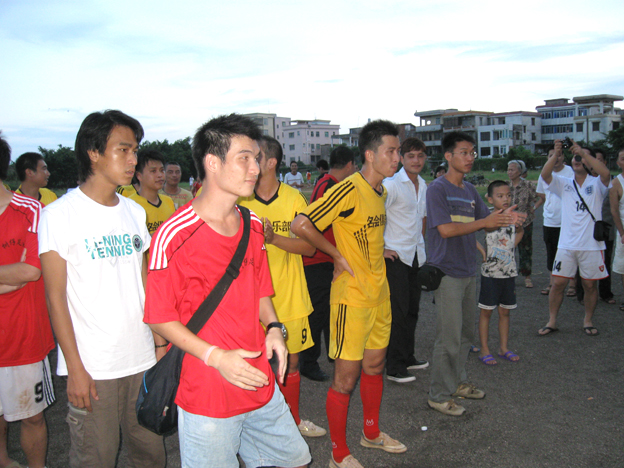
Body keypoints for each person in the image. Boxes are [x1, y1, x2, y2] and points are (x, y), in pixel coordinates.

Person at [144, 114, 311, 468]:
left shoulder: (253, 225)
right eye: (244, 158)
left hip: (257, 379)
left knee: (294, 460)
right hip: (208, 390)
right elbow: (159, 318)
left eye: (257, 158)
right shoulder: (173, 235)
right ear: (213, 163)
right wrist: (217, 357)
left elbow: (260, 290)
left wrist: (273, 328)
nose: (256, 168)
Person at [38, 110, 167, 468]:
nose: (133, 159)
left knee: (151, 453)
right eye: (123, 150)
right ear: (93, 153)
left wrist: (159, 344)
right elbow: (55, 297)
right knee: (95, 457)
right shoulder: (59, 215)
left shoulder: (134, 212)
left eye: (135, 150)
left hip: (142, 358)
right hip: (94, 366)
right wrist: (75, 368)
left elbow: (145, 282)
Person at [292, 120, 407, 468]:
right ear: (370, 154)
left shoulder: (380, 191)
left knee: (375, 366)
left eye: (398, 151)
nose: (397, 158)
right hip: (351, 299)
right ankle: (338, 454)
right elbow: (301, 223)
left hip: (379, 295)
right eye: (391, 151)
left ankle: (371, 433)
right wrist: (336, 255)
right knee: (344, 379)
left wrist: (379, 251)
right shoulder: (348, 189)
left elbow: (364, 233)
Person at [426, 131, 524, 417]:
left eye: (473, 153)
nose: (470, 158)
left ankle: (457, 382)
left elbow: (486, 221)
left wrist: (507, 218)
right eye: (464, 152)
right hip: (446, 272)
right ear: (448, 156)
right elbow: (446, 230)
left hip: (469, 269)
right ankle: (438, 395)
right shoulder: (437, 189)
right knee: (448, 338)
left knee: (466, 333)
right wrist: (485, 222)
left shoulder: (469, 190)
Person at [238, 136, 326, 438]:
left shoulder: (293, 198)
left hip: (289, 297)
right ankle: (257, 427)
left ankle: (293, 421)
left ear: (271, 162)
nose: (250, 163)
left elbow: (310, 248)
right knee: (252, 364)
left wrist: (274, 239)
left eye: (255, 157)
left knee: (291, 362)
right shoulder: (240, 199)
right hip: (251, 300)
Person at [0, 133, 55, 468]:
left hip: (23, 338)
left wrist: (19, 273)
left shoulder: (31, 211)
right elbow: (18, 272)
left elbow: (31, 271)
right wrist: (11, 276)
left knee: (32, 416)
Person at [538, 140, 610, 337]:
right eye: (575, 156)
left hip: (591, 245)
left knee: (589, 285)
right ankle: (552, 321)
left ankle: (588, 320)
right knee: (558, 284)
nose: (577, 159)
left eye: (581, 157)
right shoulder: (564, 183)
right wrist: (556, 154)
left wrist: (585, 154)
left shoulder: (597, 184)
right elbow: (545, 175)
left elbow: (605, 174)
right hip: (566, 244)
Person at [300, 146, 356, 383]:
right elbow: (316, 223)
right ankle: (308, 362)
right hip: (319, 259)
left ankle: (332, 354)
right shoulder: (330, 186)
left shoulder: (326, 182)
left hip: (324, 258)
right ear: (350, 165)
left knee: (328, 312)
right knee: (318, 313)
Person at [383, 137, 429, 383]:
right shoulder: (391, 185)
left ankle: (408, 356)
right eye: (411, 156)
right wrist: (381, 248)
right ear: (401, 158)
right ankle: (394, 366)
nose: (416, 160)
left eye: (420, 156)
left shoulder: (424, 185)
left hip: (415, 256)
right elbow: (375, 215)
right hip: (396, 256)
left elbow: (422, 219)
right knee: (397, 313)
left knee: (412, 310)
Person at [477, 181, 524, 366]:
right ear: (490, 199)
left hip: (508, 272)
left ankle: (503, 348)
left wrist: (515, 234)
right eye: (500, 196)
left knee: (505, 312)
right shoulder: (490, 217)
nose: (505, 199)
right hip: (491, 274)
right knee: (486, 312)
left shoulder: (512, 217)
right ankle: (484, 349)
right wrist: (483, 251)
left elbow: (519, 233)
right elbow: (486, 228)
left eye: (508, 195)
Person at [536, 142, 575, 296]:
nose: (555, 158)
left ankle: (572, 284)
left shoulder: (571, 172)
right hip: (550, 221)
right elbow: (541, 193)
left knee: (570, 253)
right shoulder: (544, 173)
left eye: (558, 155)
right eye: (551, 155)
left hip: (568, 222)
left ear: (563, 157)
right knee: (552, 253)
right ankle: (552, 283)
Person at [507, 159, 541, 288]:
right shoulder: (505, 186)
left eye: (512, 170)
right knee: (508, 249)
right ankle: (508, 276)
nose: (509, 172)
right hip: (508, 223)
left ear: (519, 172)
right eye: (508, 170)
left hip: (525, 223)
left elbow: (541, 197)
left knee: (526, 250)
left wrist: (534, 207)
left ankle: (527, 276)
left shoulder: (528, 185)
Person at [130, 150, 175, 236]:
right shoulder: (131, 204)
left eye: (162, 170)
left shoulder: (168, 201)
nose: (160, 175)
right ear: (139, 176)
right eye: (153, 171)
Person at [609, 148, 624, 310]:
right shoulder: (616, 183)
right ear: (618, 163)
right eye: (623, 159)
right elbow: (614, 210)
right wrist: (621, 232)